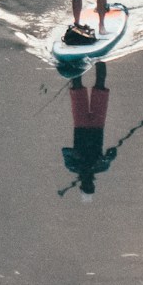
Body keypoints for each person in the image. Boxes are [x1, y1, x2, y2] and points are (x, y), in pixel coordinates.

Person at [63, 63, 114, 201]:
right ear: (93, 185)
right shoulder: (101, 166)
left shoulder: (73, 166)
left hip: (80, 125)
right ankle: (101, 59)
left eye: (86, 187)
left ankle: (76, 60)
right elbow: (112, 152)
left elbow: (65, 151)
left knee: (77, 86)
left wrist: (78, 156)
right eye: (90, 187)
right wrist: (106, 157)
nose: (88, 184)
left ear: (81, 185)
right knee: (100, 85)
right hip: (98, 125)